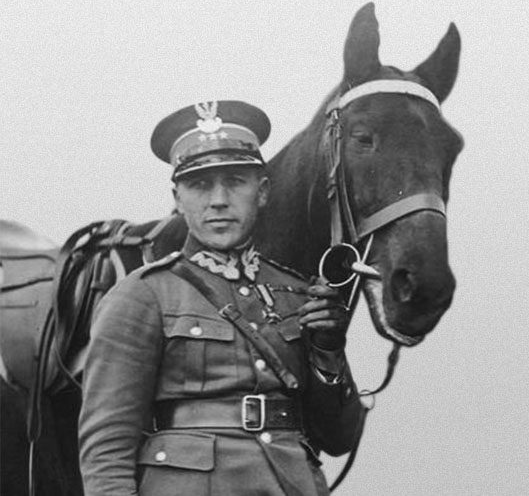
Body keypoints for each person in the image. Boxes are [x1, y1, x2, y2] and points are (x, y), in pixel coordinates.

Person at [78, 100, 365, 496]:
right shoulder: (142, 295)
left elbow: (338, 438)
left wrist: (328, 352)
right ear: (178, 198)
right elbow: (107, 447)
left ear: (262, 192)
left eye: (235, 181)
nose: (218, 200)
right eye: (199, 185)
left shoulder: (299, 294)